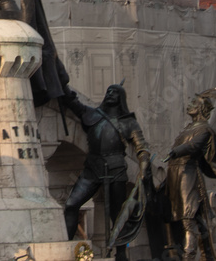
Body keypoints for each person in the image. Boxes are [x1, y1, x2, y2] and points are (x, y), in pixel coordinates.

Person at [62, 83, 151, 261]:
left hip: (116, 168)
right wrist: (60, 81)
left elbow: (141, 147)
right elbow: (71, 102)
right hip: (92, 168)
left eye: (115, 92)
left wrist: (143, 164)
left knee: (117, 215)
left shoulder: (129, 122)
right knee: (71, 204)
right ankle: (67, 246)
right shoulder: (92, 114)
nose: (110, 94)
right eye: (108, 91)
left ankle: (121, 254)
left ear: (121, 98)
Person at [164, 89, 216, 261]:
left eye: (193, 103)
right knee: (196, 219)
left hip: (187, 175)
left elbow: (195, 146)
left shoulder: (205, 130)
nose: (189, 105)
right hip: (176, 175)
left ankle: (189, 256)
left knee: (189, 219)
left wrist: (177, 150)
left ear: (201, 109)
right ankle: (209, 256)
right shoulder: (187, 129)